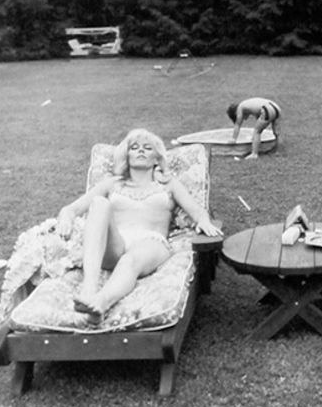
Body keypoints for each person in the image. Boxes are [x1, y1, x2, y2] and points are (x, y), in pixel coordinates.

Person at [57, 127, 222, 323]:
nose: (141, 151)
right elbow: (72, 208)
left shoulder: (168, 184)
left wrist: (204, 221)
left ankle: (100, 303)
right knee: (99, 203)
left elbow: (196, 210)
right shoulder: (112, 184)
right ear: (127, 156)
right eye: (134, 147)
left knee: (130, 260)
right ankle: (89, 289)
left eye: (147, 148)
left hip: (151, 242)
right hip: (116, 242)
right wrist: (66, 218)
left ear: (157, 158)